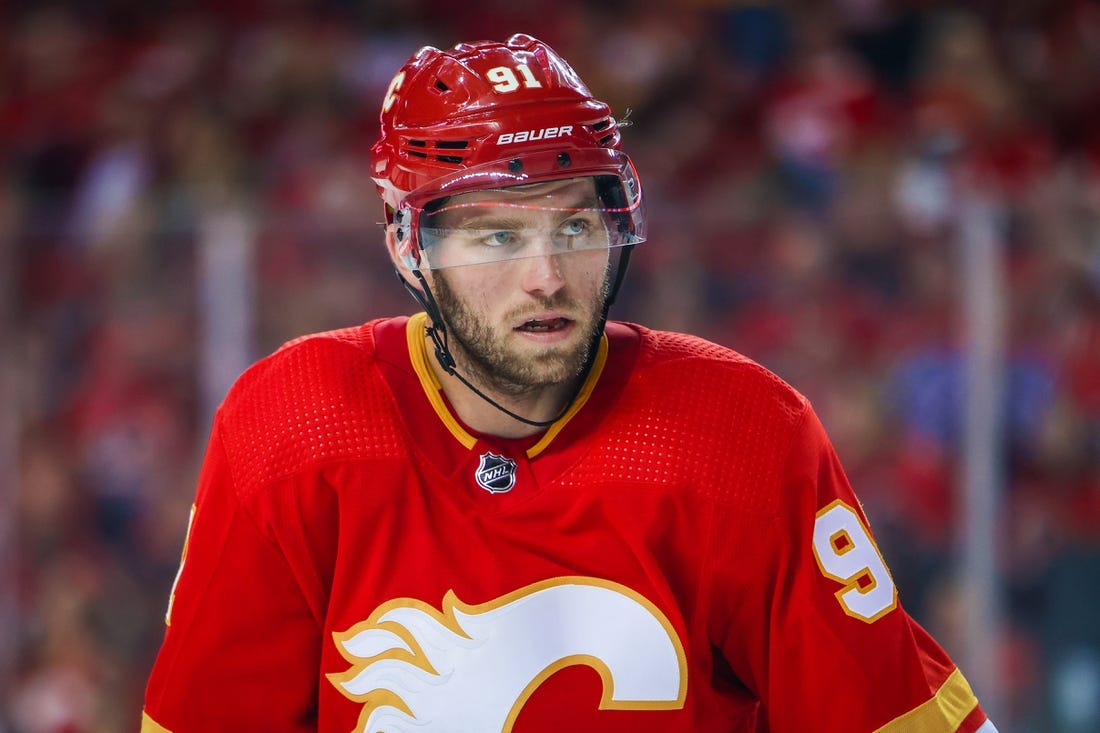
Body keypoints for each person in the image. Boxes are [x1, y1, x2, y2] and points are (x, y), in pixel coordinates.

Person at [141, 33, 999, 733]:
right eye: (498, 238)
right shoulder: (292, 429)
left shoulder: (744, 431)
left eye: (576, 225)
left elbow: (898, 718)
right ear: (407, 246)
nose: (548, 275)